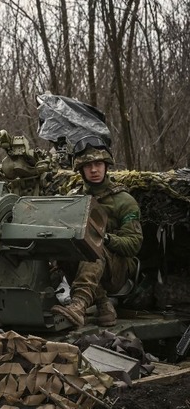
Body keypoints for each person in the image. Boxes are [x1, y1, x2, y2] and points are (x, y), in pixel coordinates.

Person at [51, 140, 143, 328]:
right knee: (65, 249)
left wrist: (105, 239)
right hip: (84, 267)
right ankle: (103, 305)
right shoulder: (73, 199)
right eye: (88, 166)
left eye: (98, 164)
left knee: (93, 246)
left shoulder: (124, 201)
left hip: (117, 271)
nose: (94, 170)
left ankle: (79, 305)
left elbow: (134, 243)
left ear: (106, 167)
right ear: (81, 170)